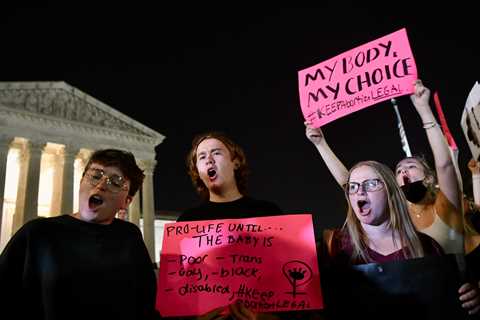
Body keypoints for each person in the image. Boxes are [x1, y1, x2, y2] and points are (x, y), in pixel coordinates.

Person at [305, 80, 464, 255]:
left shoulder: (445, 207)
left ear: (429, 177)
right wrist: (321, 144)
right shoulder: (397, 215)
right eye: (398, 170)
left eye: (411, 166)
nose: (403, 171)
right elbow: (348, 182)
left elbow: (445, 165)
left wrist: (423, 108)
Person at [0, 149, 159, 320]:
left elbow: (146, 305)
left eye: (115, 182)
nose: (101, 185)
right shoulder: (37, 233)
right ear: (81, 181)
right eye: (96, 175)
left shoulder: (129, 237)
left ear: (126, 201)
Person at [322, 161, 480, 316]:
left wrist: (470, 298)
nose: (360, 192)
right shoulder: (335, 247)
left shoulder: (426, 245)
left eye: (370, 184)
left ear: (390, 192)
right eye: (353, 186)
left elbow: (447, 298)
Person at [177, 132, 301, 320]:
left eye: (216, 153)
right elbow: (179, 290)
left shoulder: (268, 213)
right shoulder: (188, 221)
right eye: (202, 157)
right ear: (197, 171)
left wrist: (266, 317)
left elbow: (293, 284)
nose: (209, 159)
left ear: (235, 162)